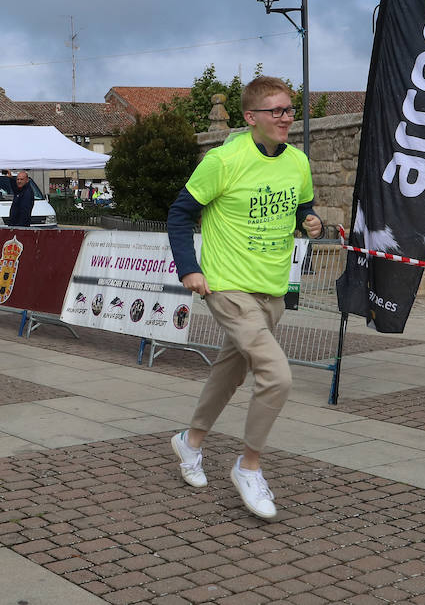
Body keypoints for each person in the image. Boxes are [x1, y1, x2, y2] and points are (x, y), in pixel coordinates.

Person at [165, 76, 321, 521]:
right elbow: (180, 214)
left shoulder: (297, 162)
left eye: (291, 110)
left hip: (272, 289)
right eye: (277, 111)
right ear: (251, 118)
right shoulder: (223, 160)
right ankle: (248, 466)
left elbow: (300, 206)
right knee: (277, 375)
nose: (287, 118)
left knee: (229, 372)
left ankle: (190, 441)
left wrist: (310, 220)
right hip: (227, 286)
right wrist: (189, 268)